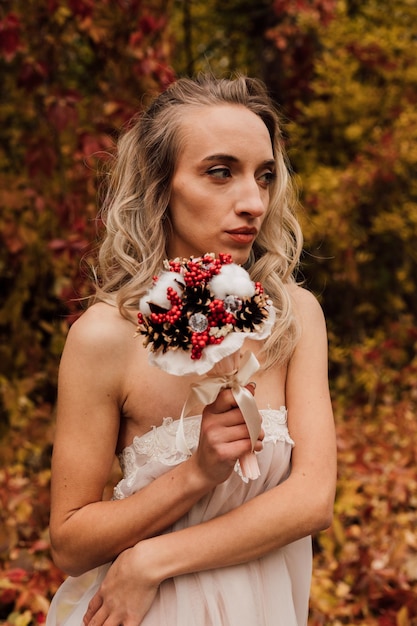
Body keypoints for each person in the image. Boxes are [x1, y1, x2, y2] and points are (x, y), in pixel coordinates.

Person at [47, 74, 336, 626]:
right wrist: (197, 473)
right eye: (220, 172)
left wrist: (153, 561)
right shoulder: (104, 335)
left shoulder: (293, 318)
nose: (254, 201)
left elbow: (312, 500)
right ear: (162, 186)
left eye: (265, 175)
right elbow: (70, 544)